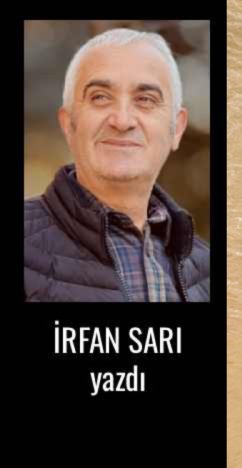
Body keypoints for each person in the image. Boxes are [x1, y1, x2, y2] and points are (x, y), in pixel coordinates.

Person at [24, 28, 210, 302]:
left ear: (177, 129)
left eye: (145, 100)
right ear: (68, 124)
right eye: (100, 97)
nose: (122, 121)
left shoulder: (207, 269)